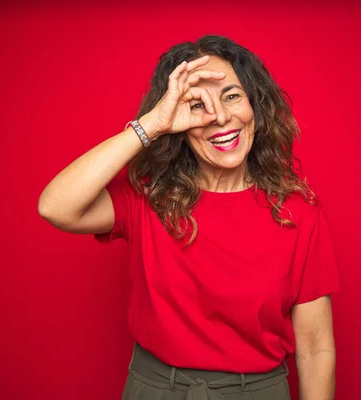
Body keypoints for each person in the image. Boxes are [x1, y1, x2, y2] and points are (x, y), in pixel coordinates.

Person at [38, 35, 343, 400]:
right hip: (156, 389)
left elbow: (315, 346)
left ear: (255, 106)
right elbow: (56, 206)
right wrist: (150, 125)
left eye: (232, 96)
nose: (219, 117)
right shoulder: (148, 196)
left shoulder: (298, 212)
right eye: (197, 104)